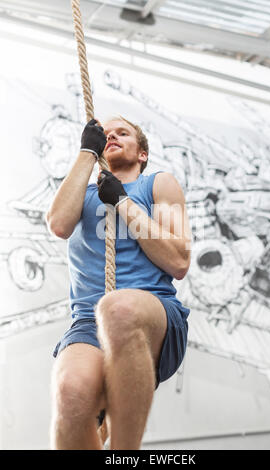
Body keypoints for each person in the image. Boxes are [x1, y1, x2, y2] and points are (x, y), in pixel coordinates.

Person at [46, 116, 191, 450]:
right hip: (88, 321)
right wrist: (86, 152)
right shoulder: (81, 192)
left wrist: (124, 203)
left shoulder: (158, 184)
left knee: (117, 308)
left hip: (152, 313)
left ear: (141, 153)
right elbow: (58, 224)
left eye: (122, 133)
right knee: (71, 390)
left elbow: (178, 261)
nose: (110, 135)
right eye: (104, 135)